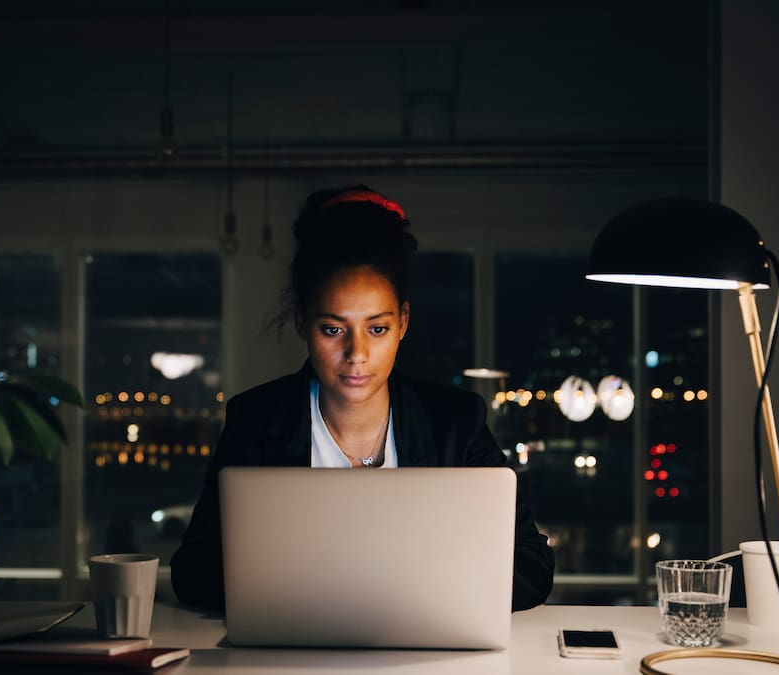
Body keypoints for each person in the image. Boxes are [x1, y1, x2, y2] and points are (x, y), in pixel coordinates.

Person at [170, 185, 555, 611]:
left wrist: (409, 594)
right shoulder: (256, 421)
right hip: (294, 643)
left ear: (403, 322)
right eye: (333, 329)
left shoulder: (455, 423)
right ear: (302, 323)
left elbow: (532, 566)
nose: (357, 353)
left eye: (377, 329)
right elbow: (193, 570)